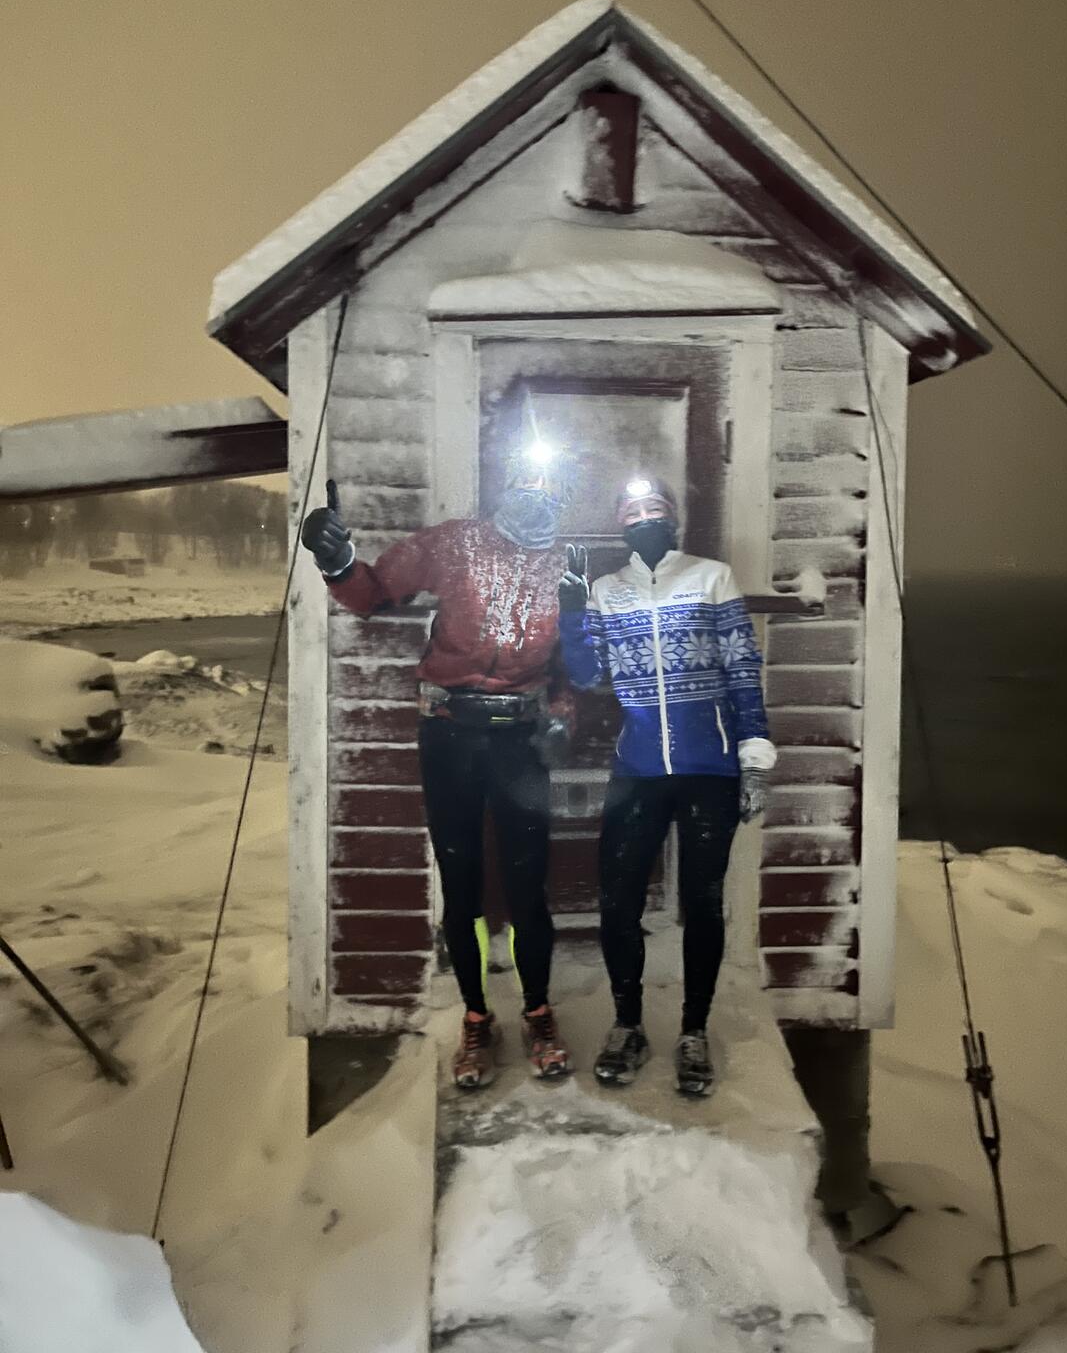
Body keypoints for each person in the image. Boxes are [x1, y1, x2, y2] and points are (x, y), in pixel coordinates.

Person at [301, 445, 576, 1090]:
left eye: (549, 485)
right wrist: (335, 558)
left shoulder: (568, 565)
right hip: (450, 735)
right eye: (525, 480)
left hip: (521, 743)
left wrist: (563, 716)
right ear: (505, 484)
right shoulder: (455, 543)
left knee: (528, 884)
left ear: (564, 496)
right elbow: (370, 595)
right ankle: (477, 1018)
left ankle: (538, 1013)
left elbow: (571, 662)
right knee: (462, 882)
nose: (535, 494)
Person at [558, 476, 775, 1097]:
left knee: (702, 902)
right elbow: (587, 674)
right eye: (632, 510)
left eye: (655, 508)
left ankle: (694, 1032)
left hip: (712, 769)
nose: (644, 517)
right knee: (618, 901)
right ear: (619, 525)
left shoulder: (711, 577)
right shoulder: (608, 589)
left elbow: (743, 668)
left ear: (674, 518)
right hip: (638, 770)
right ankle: (627, 1025)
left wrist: (754, 760)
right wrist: (573, 610)